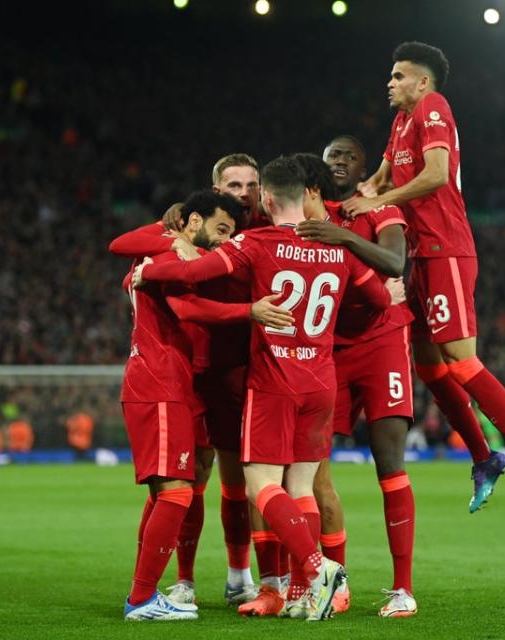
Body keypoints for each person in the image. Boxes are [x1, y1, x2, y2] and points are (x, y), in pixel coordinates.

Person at [133, 156, 396, 621]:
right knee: (302, 489)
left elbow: (193, 275)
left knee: (259, 486)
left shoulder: (254, 242)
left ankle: (317, 570)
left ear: (268, 199)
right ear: (308, 194)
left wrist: (147, 273)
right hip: (321, 378)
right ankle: (300, 591)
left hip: (274, 381)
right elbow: (378, 300)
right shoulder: (339, 246)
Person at [343, 41, 505, 513]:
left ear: (423, 81)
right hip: (419, 256)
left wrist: (379, 202)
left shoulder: (433, 107)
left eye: (399, 76)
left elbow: (437, 174)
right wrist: (339, 203)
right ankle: (485, 457)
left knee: (460, 361)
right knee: (429, 367)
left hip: (446, 251)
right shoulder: (400, 124)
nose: (390, 83)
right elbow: (376, 182)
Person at [118, 189, 292, 622]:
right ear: (193, 221)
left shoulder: (170, 260)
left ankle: (146, 594)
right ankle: (142, 599)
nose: (223, 241)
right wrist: (249, 310)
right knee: (177, 493)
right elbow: (187, 307)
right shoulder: (167, 262)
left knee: (166, 494)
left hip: (163, 381)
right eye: (219, 230)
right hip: (161, 382)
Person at [294, 147, 418, 617]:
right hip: (328, 348)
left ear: (365, 169)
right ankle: (333, 583)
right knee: (311, 470)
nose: (338, 159)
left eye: (348, 154)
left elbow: (394, 261)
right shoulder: (314, 213)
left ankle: (402, 587)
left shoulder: (380, 208)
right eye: (330, 155)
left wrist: (341, 236)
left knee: (389, 462)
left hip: (383, 340)